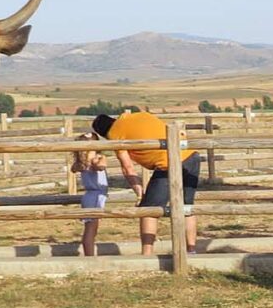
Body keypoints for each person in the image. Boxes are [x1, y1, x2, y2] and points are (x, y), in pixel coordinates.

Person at [92, 109, 200, 256]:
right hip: (191, 155)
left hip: (168, 162)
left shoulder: (115, 135)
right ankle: (191, 250)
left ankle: (147, 253)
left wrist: (139, 191)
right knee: (187, 206)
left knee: (148, 210)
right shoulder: (139, 115)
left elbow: (127, 167)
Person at [74, 147, 109, 257]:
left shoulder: (82, 163)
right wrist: (101, 159)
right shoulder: (95, 160)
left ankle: (89, 253)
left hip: (91, 195)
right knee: (91, 228)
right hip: (95, 196)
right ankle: (89, 255)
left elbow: (73, 168)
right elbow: (101, 166)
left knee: (91, 226)